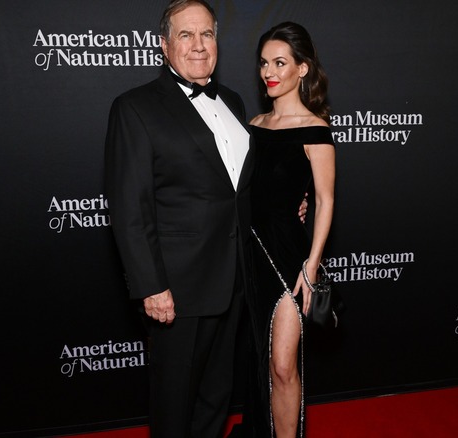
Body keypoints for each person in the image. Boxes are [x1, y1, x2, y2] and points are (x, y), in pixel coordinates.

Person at [104, 2, 305, 437]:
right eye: (186, 35)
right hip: (178, 289)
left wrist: (290, 203)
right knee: (174, 402)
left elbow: (238, 188)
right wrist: (151, 286)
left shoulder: (232, 101)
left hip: (236, 281)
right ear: (164, 46)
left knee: (216, 396)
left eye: (207, 34)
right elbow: (129, 208)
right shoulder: (135, 108)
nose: (198, 45)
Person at [240, 22, 335, 438]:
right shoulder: (253, 125)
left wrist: (311, 266)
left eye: (280, 63)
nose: (269, 72)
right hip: (248, 255)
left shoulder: (316, 129)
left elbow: (325, 200)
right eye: (264, 63)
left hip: (288, 259)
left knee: (282, 365)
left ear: (302, 68)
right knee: (258, 362)